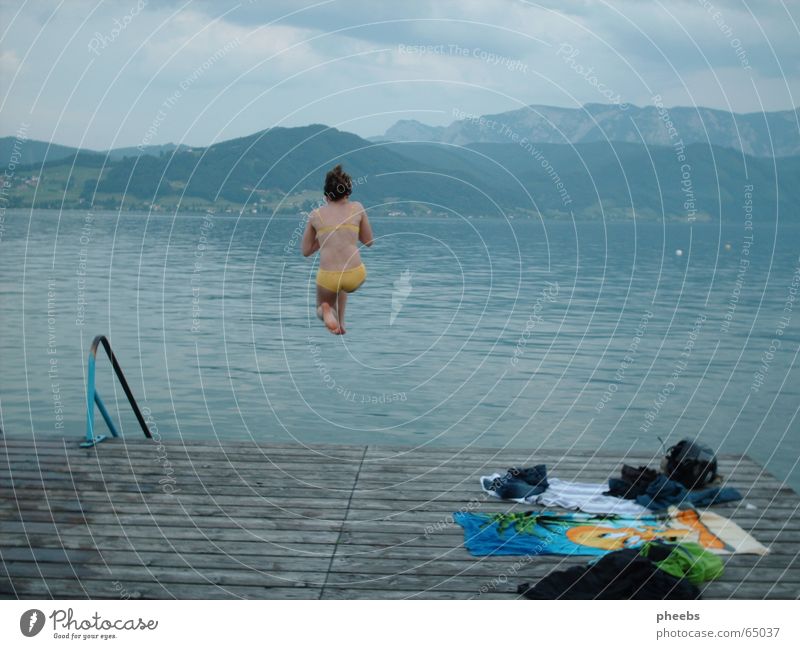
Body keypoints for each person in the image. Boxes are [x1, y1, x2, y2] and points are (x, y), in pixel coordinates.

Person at [301, 164, 373, 334]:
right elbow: (369, 241)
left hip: (328, 277)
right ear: (348, 193)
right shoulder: (357, 208)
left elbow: (305, 251)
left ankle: (326, 310)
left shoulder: (315, 215)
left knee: (322, 305)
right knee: (343, 283)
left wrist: (324, 236)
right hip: (355, 274)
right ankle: (341, 322)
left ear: (326, 196)